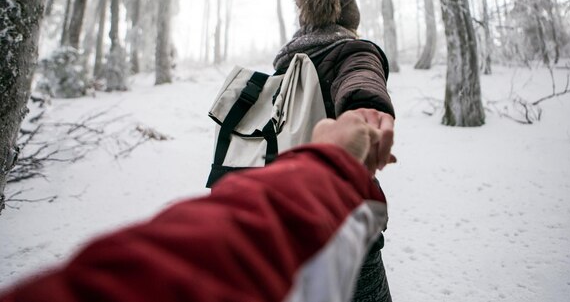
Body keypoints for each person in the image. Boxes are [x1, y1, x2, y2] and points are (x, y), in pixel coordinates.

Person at [0, 110, 394, 302]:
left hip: (324, 211)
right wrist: (333, 158)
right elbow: (204, 261)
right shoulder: (353, 49)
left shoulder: (291, 54)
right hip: (334, 208)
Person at [274, 0, 396, 302]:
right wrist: (366, 111)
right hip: (346, 219)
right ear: (349, 24)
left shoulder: (285, 65)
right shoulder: (354, 51)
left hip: (286, 223)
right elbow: (361, 77)